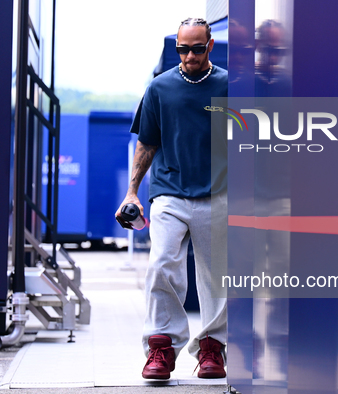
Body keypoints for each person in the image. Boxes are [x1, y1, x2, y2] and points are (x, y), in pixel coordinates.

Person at [116, 17, 228, 380]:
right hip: (169, 194)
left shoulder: (231, 86)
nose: (189, 55)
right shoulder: (159, 89)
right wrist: (132, 191)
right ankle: (161, 349)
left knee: (216, 276)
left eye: (197, 48)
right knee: (162, 265)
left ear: (210, 46)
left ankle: (212, 349)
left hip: (219, 192)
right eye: (183, 49)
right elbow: (147, 143)